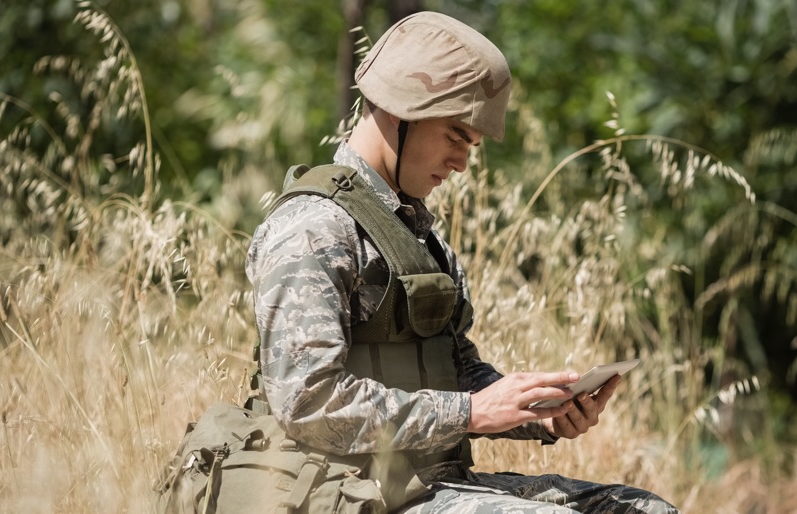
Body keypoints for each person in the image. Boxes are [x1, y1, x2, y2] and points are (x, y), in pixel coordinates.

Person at [246, 10, 679, 514]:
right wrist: (472, 412)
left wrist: (539, 412)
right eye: (455, 136)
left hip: (434, 486)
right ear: (397, 110)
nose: (462, 163)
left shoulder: (418, 237)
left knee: (646, 511)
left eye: (471, 145)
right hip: (347, 492)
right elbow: (308, 403)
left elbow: (458, 370)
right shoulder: (313, 228)